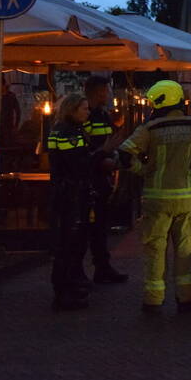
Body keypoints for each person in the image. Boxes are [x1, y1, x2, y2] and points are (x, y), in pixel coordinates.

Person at [117, 80, 191, 313]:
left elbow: (125, 153)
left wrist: (143, 170)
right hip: (188, 199)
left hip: (156, 199)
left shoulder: (150, 128)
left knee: (155, 250)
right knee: (186, 251)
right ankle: (186, 299)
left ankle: (153, 299)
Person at [47, 93, 121, 311]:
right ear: (72, 110)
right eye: (84, 109)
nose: (88, 113)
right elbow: (78, 164)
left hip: (71, 193)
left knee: (74, 243)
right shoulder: (67, 133)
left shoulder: (69, 130)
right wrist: (103, 152)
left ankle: (70, 285)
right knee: (67, 244)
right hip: (70, 194)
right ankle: (63, 293)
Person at [78, 76, 128, 284]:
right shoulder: (85, 115)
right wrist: (102, 158)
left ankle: (102, 267)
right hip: (90, 180)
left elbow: (107, 141)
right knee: (87, 227)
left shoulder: (102, 114)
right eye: (107, 90)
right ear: (98, 92)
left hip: (102, 179)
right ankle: (82, 272)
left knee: (100, 226)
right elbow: (84, 148)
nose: (109, 95)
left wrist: (114, 155)